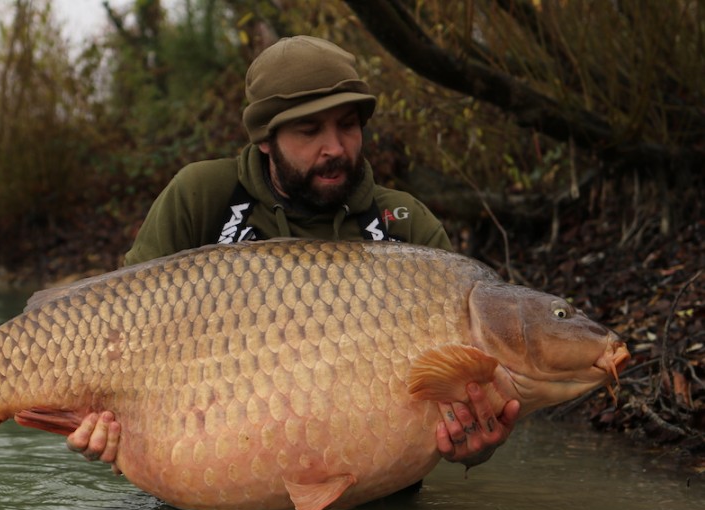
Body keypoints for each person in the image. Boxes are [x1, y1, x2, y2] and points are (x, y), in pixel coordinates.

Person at [66, 36, 520, 477]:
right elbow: (117, 335)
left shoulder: (404, 226)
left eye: (348, 124)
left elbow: (466, 407)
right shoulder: (203, 197)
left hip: (375, 508)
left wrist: (474, 446)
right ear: (265, 138)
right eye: (309, 130)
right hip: (207, 501)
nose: (336, 148)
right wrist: (95, 426)